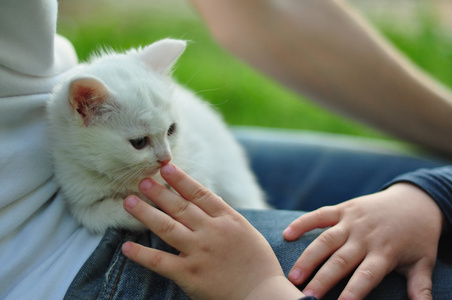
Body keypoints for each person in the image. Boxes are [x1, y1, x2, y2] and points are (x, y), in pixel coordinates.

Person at [1, 1, 451, 300]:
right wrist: (262, 286)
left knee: (431, 178)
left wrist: (431, 192)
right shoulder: (91, 116)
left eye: (168, 133)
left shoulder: (140, 127)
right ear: (83, 109)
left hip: (104, 162)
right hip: (53, 259)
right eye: (143, 143)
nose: (165, 157)